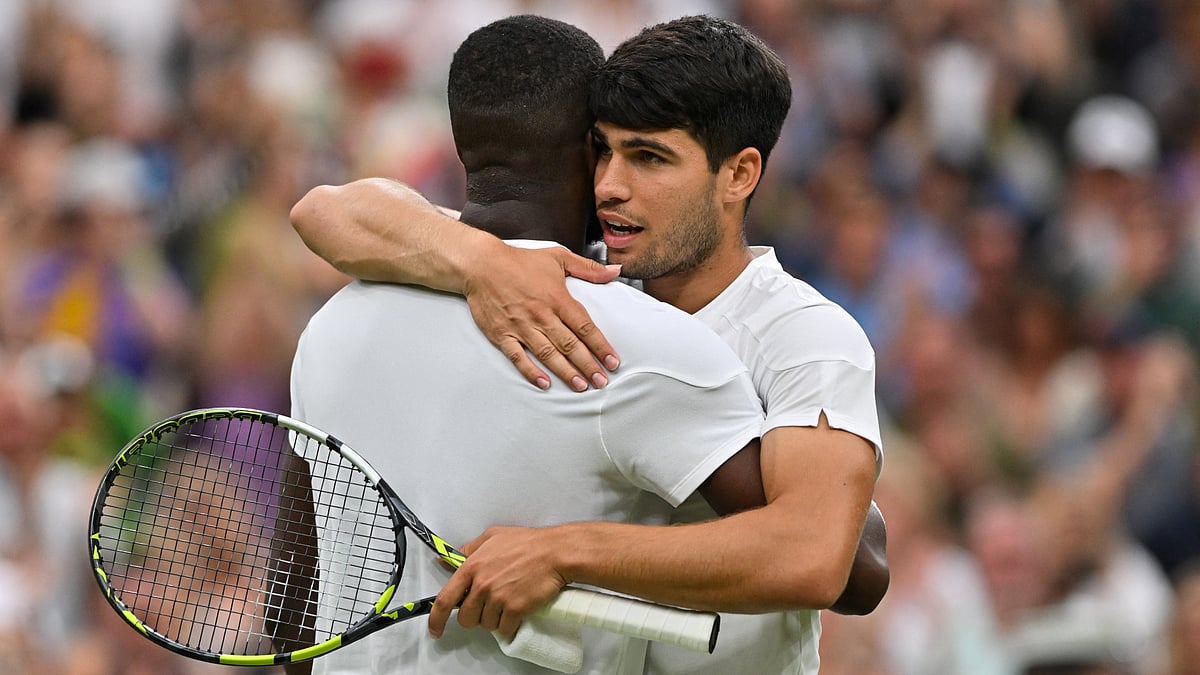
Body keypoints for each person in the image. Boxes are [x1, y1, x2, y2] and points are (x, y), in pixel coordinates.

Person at [291, 15, 884, 675]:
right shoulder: (550, 279)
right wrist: (481, 263)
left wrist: (562, 551)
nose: (609, 185)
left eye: (649, 157)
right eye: (603, 150)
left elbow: (831, 559)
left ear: (740, 173)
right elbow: (324, 210)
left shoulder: (806, 335)